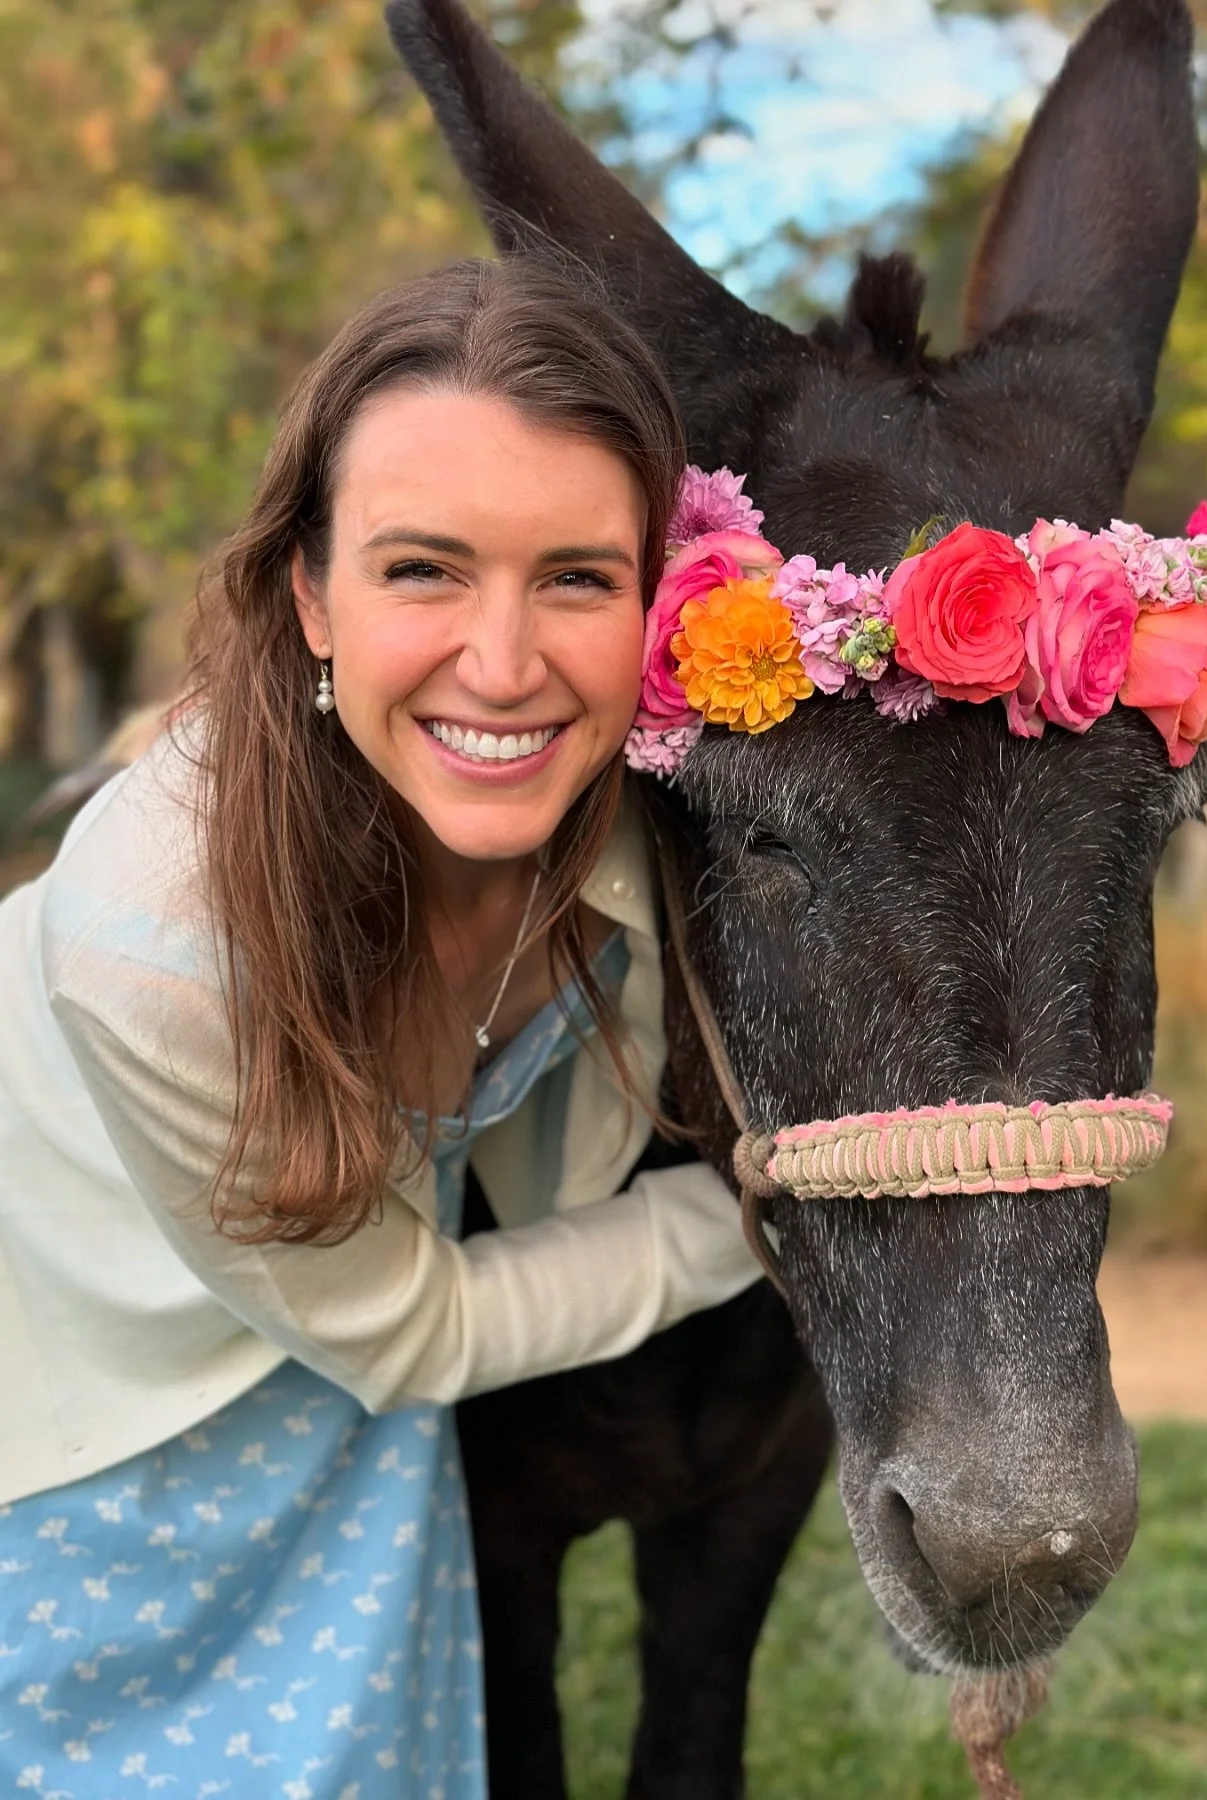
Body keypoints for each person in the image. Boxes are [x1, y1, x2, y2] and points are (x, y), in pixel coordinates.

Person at [0, 258, 761, 1795]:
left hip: (342, 1392)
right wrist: (765, 1211)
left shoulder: (632, 818)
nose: (505, 665)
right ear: (310, 595)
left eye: (578, 578)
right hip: (86, 1430)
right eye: (422, 570)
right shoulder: (158, 943)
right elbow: (416, 1328)